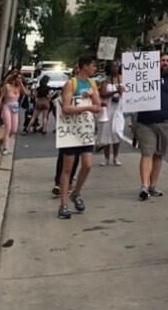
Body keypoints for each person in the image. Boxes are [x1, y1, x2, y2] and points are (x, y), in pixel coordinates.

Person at [134, 52, 168, 201]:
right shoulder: (144, 76)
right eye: (161, 60)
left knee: (159, 154)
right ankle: (144, 186)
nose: (164, 62)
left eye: (167, 60)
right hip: (146, 122)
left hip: (166, 123)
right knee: (147, 153)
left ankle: (153, 185)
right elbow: (133, 95)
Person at [56, 55, 101, 219]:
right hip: (71, 130)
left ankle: (76, 192)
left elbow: (98, 105)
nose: (95, 69)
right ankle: (64, 204)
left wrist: (92, 103)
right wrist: (85, 107)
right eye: (92, 65)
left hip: (85, 130)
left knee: (87, 164)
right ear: (84, 66)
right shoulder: (71, 84)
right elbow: (66, 108)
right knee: (67, 168)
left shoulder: (92, 83)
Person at [97, 61, 124, 166]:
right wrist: (115, 92)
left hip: (118, 110)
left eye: (117, 66)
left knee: (117, 133)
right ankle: (106, 158)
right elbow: (102, 94)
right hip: (107, 110)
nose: (115, 68)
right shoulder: (105, 81)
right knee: (106, 134)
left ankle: (116, 157)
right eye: (113, 66)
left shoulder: (123, 79)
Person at [0, 68, 27, 155]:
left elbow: (26, 93)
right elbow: (1, 97)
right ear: (14, 78)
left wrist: (21, 84)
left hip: (15, 108)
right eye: (18, 78)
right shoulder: (7, 86)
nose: (19, 80)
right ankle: (6, 147)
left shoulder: (19, 87)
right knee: (8, 127)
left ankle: (2, 140)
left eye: (20, 78)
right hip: (7, 106)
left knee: (14, 129)